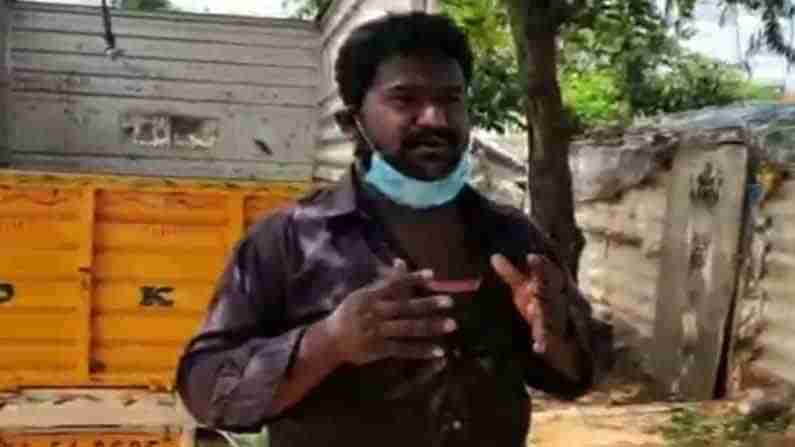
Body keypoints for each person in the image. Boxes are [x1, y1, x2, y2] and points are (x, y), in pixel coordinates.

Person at [177, 12, 601, 447]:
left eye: (451, 99)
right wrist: (328, 342)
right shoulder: (288, 241)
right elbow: (207, 389)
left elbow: (580, 371)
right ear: (351, 122)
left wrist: (558, 336)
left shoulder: (513, 237)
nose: (435, 118)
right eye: (405, 100)